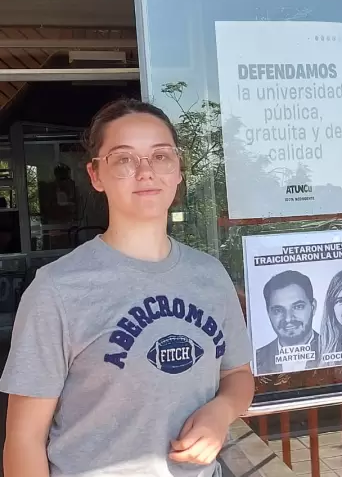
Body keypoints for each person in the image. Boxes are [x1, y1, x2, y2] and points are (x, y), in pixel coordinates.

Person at [0, 99, 255, 477]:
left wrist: (219, 413)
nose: (146, 171)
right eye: (124, 159)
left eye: (161, 156)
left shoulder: (210, 274)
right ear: (96, 175)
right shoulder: (57, 289)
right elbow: (23, 439)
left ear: (178, 170)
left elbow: (238, 375)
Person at [255, 270, 320, 374]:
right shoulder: (255, 360)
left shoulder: (334, 349)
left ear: (313, 307)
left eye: (298, 307)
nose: (288, 319)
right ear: (268, 313)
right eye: (278, 310)